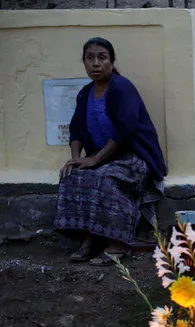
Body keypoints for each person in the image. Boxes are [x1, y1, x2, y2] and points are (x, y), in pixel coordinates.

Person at [54, 37, 167, 265]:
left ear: (112, 61)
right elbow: (76, 128)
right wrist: (77, 159)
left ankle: (118, 243)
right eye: (90, 58)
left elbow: (127, 128)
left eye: (102, 58)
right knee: (72, 177)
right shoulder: (85, 93)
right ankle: (89, 240)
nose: (96, 63)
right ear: (84, 62)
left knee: (104, 179)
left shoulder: (121, 87)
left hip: (135, 157)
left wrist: (94, 159)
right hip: (104, 157)